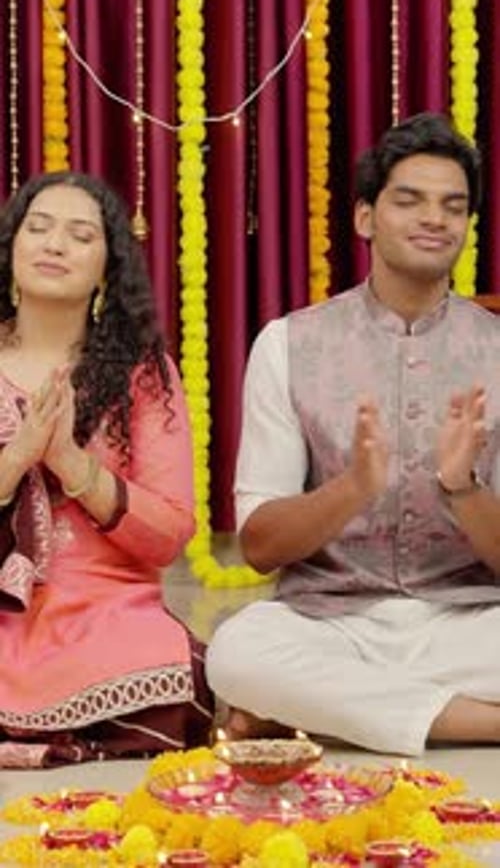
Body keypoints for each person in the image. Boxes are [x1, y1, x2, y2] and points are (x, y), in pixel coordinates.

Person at [206, 112, 500, 757]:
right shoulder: (288, 344)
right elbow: (259, 548)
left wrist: (462, 487)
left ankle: (328, 710)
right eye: (410, 200)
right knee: (238, 651)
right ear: (366, 217)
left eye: (453, 207)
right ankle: (480, 724)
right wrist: (353, 488)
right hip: (331, 624)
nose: (434, 219)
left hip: (469, 622)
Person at [0, 171, 213, 768]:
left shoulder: (143, 375)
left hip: (103, 609)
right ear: (11, 247)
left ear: (106, 270)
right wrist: (18, 459)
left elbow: (169, 534)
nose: (54, 244)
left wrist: (73, 466)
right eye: (37, 228)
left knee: (175, 675)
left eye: (79, 235)